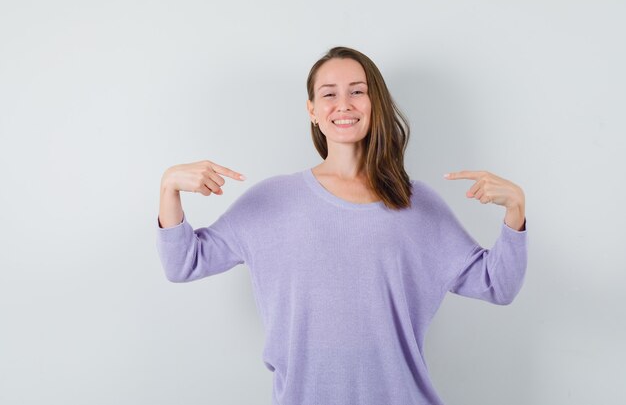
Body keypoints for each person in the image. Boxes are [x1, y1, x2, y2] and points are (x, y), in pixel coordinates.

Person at [156, 46, 527, 405]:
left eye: (358, 92)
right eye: (329, 93)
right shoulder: (271, 201)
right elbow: (184, 262)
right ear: (312, 110)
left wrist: (515, 209)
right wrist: (169, 187)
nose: (344, 104)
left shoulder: (415, 202)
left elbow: (498, 285)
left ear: (374, 103)